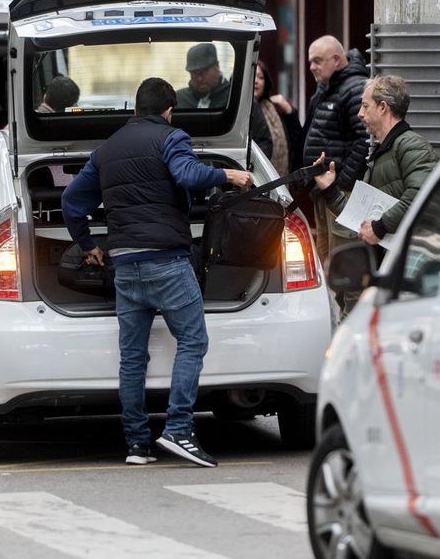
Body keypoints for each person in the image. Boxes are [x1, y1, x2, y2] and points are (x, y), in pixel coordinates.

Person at [61, 77, 252, 468]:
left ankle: (136, 445)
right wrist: (228, 176)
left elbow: (70, 202)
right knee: (193, 341)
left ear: (135, 109)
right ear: (168, 110)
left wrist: (88, 246)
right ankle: (179, 429)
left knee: (132, 358)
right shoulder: (172, 137)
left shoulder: (106, 151)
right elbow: (187, 175)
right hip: (167, 262)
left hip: (126, 266)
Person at [313, 74, 438, 244]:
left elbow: (421, 195)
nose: (360, 114)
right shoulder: (385, 150)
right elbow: (361, 218)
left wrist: (380, 227)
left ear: (382, 107)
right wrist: (329, 189)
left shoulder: (412, 145)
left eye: (365, 106)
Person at [302, 35, 371, 269]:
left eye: (318, 61)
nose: (311, 67)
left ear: (337, 59)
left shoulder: (354, 89)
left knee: (342, 259)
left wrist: (341, 184)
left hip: (341, 193)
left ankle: (346, 307)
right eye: (310, 61)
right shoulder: (326, 88)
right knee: (326, 258)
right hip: (325, 189)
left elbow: (364, 142)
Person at [252, 60, 303, 176]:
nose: (256, 81)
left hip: (281, 179)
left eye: (260, 77)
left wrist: (288, 109)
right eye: (253, 76)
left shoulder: (273, 109)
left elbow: (298, 142)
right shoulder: (241, 112)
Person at [176, 43, 232, 109]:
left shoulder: (232, 96)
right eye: (194, 73)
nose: (199, 78)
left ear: (217, 66)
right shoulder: (179, 100)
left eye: (204, 71)